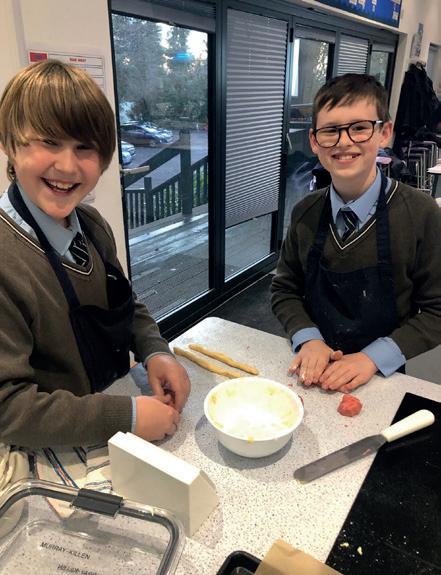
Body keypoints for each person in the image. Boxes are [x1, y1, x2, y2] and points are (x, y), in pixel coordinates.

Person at [0, 60, 190, 449]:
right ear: (8, 143)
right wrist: (126, 416)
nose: (67, 166)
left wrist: (155, 351)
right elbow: (8, 408)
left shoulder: (91, 224)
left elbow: (124, 302)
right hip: (48, 453)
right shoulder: (7, 259)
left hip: (116, 422)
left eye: (84, 147)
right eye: (48, 142)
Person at [271, 73, 441, 393]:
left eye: (360, 128)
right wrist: (308, 338)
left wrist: (372, 358)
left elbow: (437, 310)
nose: (344, 141)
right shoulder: (306, 212)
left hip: (381, 376)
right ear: (314, 141)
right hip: (311, 368)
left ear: (384, 132)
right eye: (330, 130)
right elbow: (284, 289)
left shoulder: (421, 214)